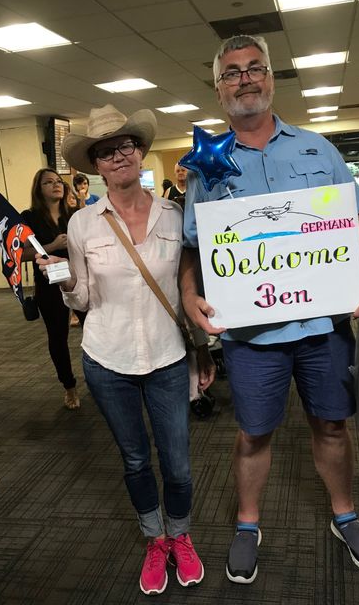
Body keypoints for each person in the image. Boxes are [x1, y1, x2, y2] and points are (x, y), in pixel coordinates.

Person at [180, 35, 359, 583]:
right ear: (219, 89)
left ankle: (345, 516)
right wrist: (187, 294)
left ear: (271, 78)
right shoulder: (205, 167)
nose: (245, 78)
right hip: (251, 335)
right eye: (232, 72)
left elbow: (357, 223)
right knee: (254, 433)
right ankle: (248, 524)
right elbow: (193, 247)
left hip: (323, 326)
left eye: (255, 68)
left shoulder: (318, 149)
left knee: (333, 426)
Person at [37, 104, 215, 596]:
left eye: (126, 146)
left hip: (167, 356)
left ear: (139, 152)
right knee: (136, 460)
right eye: (105, 152)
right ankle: (154, 539)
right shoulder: (83, 224)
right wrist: (62, 278)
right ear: (96, 165)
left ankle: (180, 536)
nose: (118, 156)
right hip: (107, 358)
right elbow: (82, 297)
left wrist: (202, 349)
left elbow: (187, 288)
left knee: (177, 463)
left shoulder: (174, 216)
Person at [22, 169, 85, 410]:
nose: (56, 185)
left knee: (93, 328)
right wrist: (51, 245)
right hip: (49, 285)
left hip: (79, 280)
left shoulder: (74, 215)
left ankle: (103, 376)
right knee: (58, 337)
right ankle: (69, 386)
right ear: (39, 189)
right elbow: (22, 254)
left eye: (58, 181)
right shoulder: (29, 217)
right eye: (48, 182)